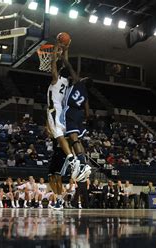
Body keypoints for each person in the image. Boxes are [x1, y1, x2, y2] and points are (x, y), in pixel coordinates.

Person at [47, 40, 78, 179]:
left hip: (54, 109)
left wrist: (55, 49)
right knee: (63, 136)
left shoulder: (56, 79)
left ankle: (71, 158)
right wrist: (66, 49)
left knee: (58, 136)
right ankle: (73, 157)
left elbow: (53, 63)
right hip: (62, 112)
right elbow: (65, 63)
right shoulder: (67, 82)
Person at [61, 46, 92, 180]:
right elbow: (87, 112)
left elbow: (68, 65)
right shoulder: (85, 95)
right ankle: (83, 162)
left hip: (71, 110)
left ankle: (82, 162)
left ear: (84, 80)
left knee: (73, 138)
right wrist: (83, 119)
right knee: (76, 139)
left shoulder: (78, 82)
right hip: (79, 114)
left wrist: (65, 52)